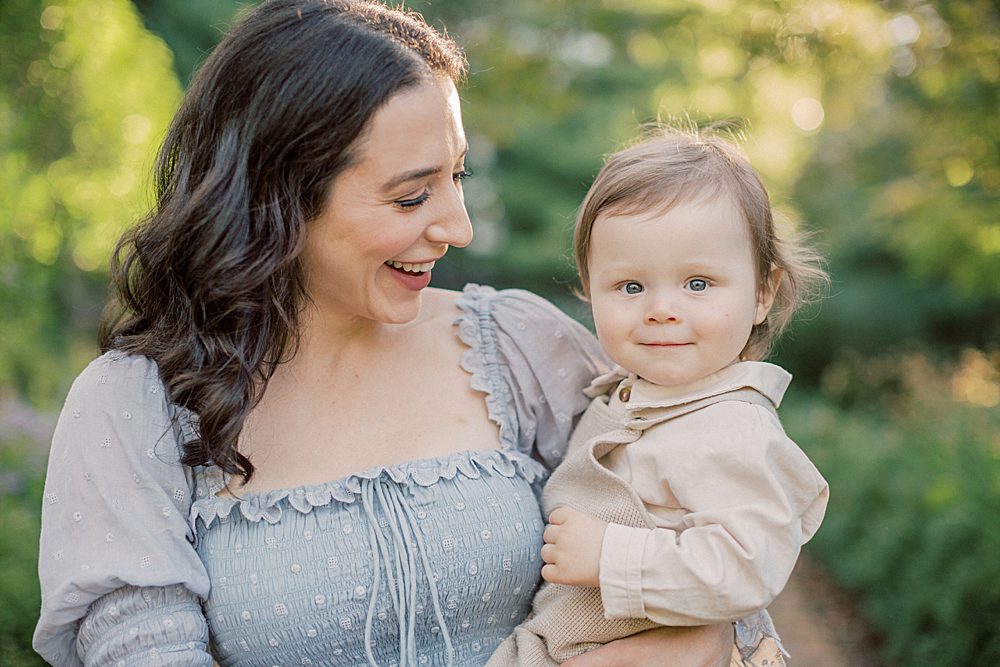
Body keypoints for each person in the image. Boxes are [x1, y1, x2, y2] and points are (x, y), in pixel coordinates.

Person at [33, 1, 779, 665]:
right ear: (277, 199)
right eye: (412, 194)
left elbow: (711, 575)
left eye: (457, 177)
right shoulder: (134, 408)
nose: (458, 225)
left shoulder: (518, 347)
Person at [489, 128, 830, 666]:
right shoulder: (621, 399)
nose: (661, 309)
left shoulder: (733, 427)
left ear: (762, 293)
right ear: (589, 288)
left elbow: (746, 568)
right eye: (630, 287)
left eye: (698, 283)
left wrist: (609, 555)